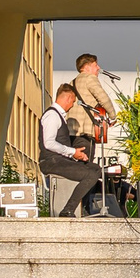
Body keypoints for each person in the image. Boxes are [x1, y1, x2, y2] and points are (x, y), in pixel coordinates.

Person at [36, 83, 103, 217]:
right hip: (51, 162)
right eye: (72, 101)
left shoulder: (58, 116)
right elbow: (48, 143)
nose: (72, 105)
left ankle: (83, 206)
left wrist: (76, 155)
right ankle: (68, 210)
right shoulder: (52, 115)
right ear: (68, 98)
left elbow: (59, 144)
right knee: (90, 175)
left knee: (96, 169)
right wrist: (72, 152)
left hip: (59, 160)